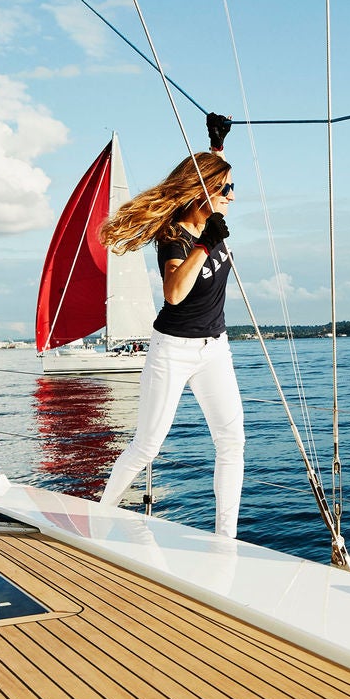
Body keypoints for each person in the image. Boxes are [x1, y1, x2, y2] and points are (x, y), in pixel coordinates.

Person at [97, 146, 245, 537]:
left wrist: (216, 147)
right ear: (203, 192)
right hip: (173, 350)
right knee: (147, 445)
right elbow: (175, 292)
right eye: (226, 188)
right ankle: (97, 518)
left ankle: (226, 539)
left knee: (232, 442)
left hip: (215, 348)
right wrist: (204, 244)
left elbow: (205, 171)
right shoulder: (174, 238)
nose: (232, 195)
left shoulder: (211, 221)